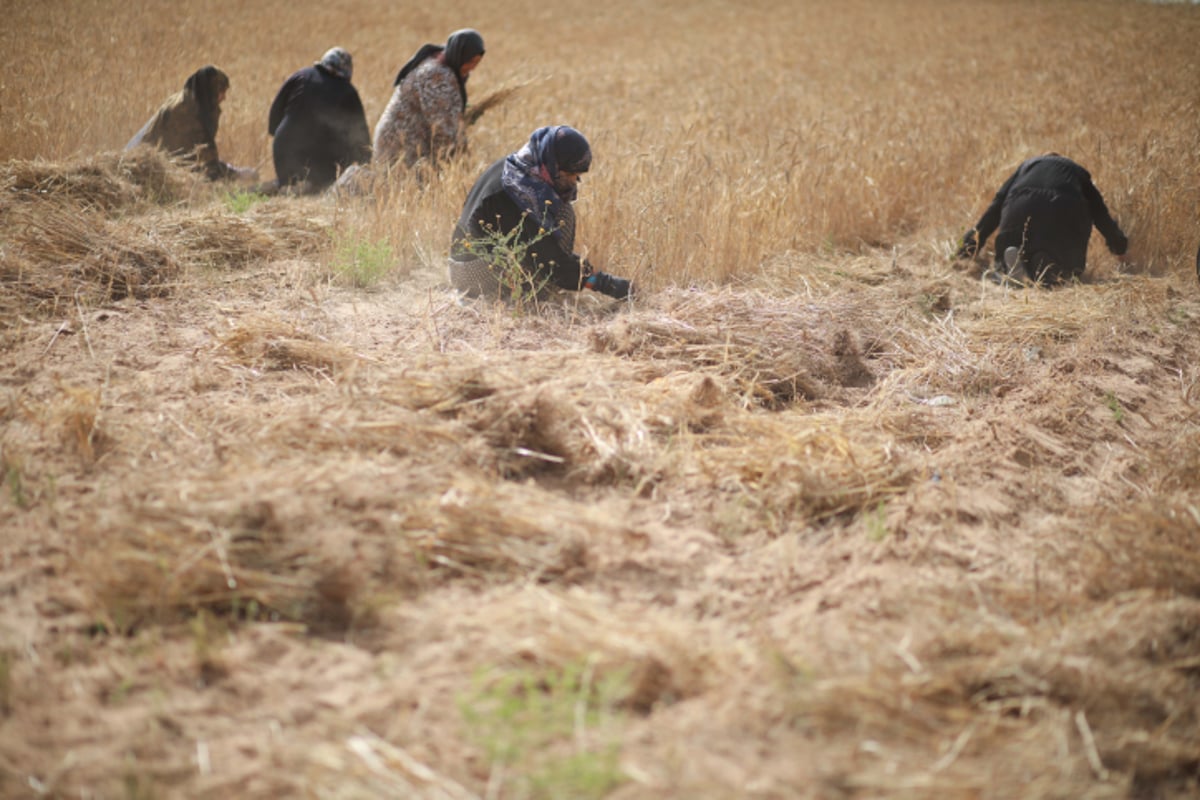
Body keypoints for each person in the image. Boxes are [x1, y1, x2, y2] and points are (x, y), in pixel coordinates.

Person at [449, 125, 634, 301]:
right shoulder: (518, 194)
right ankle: (538, 294)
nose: (575, 181)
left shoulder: (515, 167)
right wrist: (604, 284)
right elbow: (552, 264)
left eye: (578, 176)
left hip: (463, 263)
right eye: (570, 173)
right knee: (563, 213)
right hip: (474, 274)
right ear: (553, 165)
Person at [956, 153, 1127, 285]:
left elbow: (993, 210)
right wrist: (1119, 246)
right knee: (1065, 267)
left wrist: (968, 248)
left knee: (1010, 252)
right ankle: (1050, 266)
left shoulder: (1026, 167)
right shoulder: (1076, 171)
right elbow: (1100, 214)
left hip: (1017, 217)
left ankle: (1014, 269)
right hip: (1059, 224)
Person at [373, 29, 485, 170]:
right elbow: (442, 127)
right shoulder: (436, 76)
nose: (472, 68)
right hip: (400, 146)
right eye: (469, 62)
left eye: (476, 63)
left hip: (411, 142)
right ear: (459, 55)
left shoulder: (444, 62)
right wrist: (461, 165)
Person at [267, 47, 371, 194]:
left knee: (291, 182)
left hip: (282, 155)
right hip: (317, 167)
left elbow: (275, 115)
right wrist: (365, 164)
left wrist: (280, 137)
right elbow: (360, 135)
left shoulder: (300, 75)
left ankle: (287, 184)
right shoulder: (347, 91)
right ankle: (308, 185)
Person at [126, 65, 256, 182]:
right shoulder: (188, 112)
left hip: (146, 162)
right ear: (213, 90)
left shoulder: (188, 100)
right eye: (222, 91)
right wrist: (238, 175)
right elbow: (207, 163)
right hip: (146, 169)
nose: (224, 98)